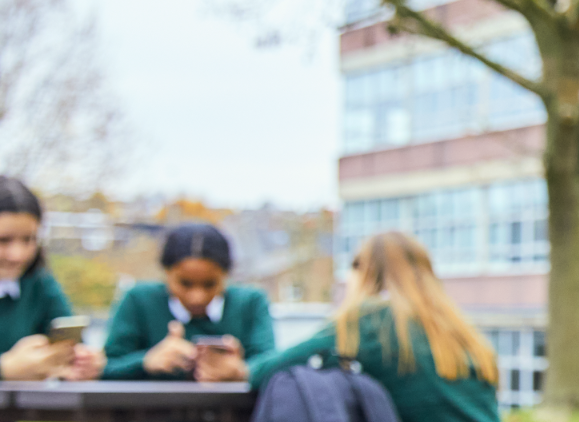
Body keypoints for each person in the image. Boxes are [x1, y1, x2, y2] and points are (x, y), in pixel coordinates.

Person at [197, 232, 499, 422]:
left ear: (363, 271)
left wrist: (239, 369)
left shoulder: (372, 320)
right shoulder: (461, 331)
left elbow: (281, 364)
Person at [102, 223, 275, 380]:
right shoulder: (138, 300)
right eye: (185, 283)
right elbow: (105, 367)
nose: (197, 297)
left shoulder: (251, 302)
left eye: (210, 284)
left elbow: (270, 365)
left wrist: (241, 371)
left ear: (226, 275)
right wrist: (146, 361)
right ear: (166, 273)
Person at [0, 176, 103, 381]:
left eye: (28, 239)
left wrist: (81, 362)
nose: (17, 255)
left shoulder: (40, 283)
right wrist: (5, 369)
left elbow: (73, 342)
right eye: (3, 240)